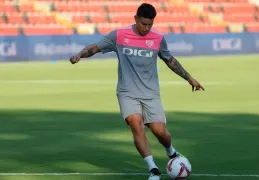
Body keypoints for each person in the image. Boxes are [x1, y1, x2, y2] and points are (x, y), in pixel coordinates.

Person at [70, 3, 204, 180]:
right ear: (135, 19)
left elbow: (170, 60)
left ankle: (171, 153)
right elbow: (95, 47)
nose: (146, 28)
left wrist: (189, 78)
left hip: (150, 93)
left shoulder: (157, 39)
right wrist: (80, 54)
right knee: (136, 124)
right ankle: (153, 170)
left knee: (160, 132)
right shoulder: (119, 35)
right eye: (143, 24)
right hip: (127, 92)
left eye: (150, 24)